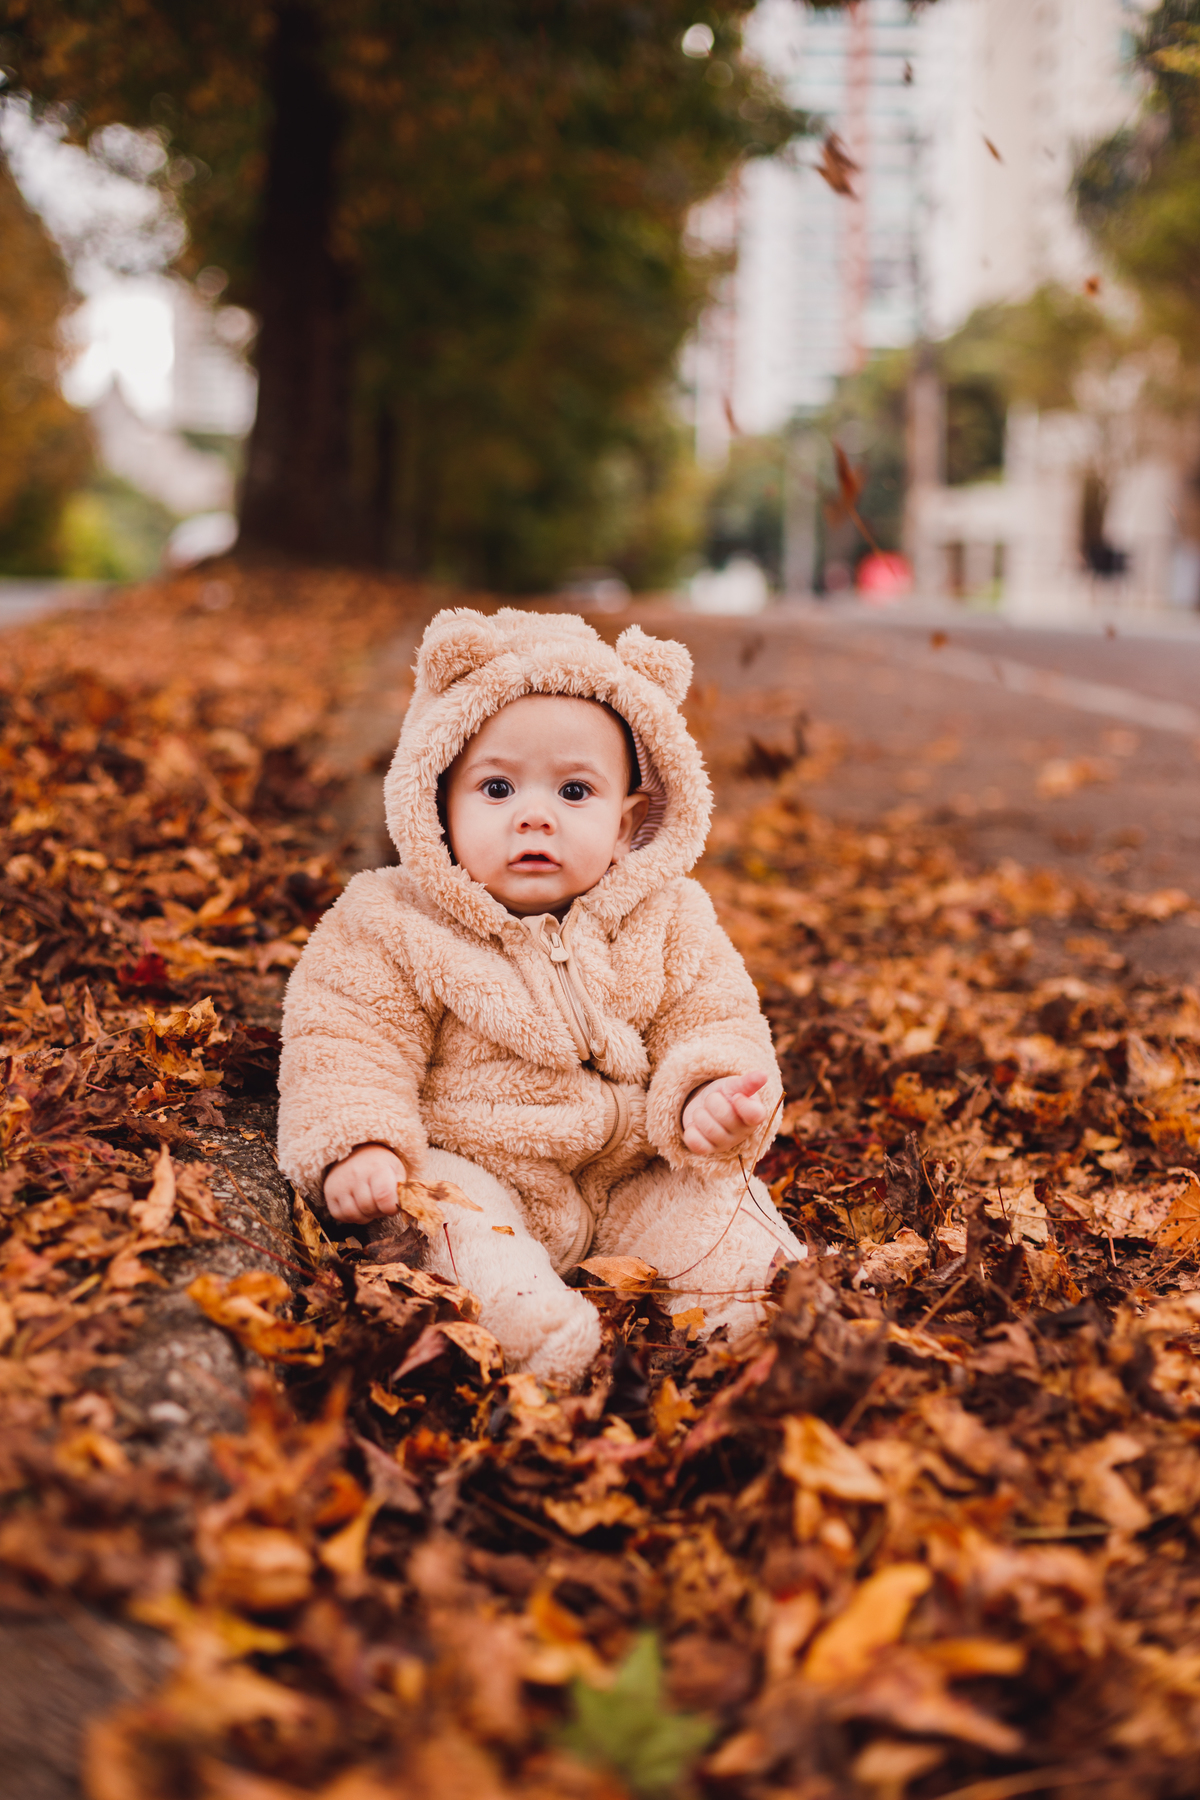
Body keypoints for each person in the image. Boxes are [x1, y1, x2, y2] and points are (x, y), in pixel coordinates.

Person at [277, 608, 804, 1385]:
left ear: (629, 824)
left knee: (725, 1217)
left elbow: (715, 1016)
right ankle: (537, 1341)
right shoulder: (392, 921)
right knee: (453, 1226)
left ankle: (766, 1322)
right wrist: (361, 1142)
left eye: (574, 790)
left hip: (631, 1171)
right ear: (438, 805)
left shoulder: (669, 918)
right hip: (478, 1168)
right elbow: (346, 1033)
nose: (534, 814)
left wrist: (712, 1094)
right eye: (496, 787)